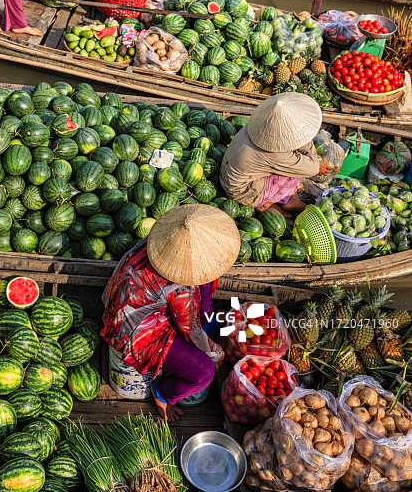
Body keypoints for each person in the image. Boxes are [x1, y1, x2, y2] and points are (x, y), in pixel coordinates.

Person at [101, 204, 240, 422]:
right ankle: (162, 392)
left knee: (206, 282)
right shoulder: (180, 288)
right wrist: (215, 353)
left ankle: (207, 330)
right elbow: (190, 330)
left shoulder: (160, 242)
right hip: (135, 331)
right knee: (204, 373)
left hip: (139, 304)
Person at [219, 93, 330, 216]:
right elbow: (312, 169)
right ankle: (265, 205)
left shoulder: (260, 124)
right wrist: (318, 165)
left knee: (293, 161)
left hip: (228, 173)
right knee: (294, 167)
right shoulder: (274, 155)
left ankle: (290, 198)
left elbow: (297, 138)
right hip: (243, 192)